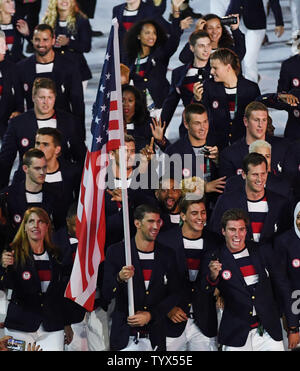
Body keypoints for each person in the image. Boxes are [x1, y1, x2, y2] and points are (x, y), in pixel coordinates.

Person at [201, 208, 300, 351]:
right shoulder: (214, 257)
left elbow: (283, 286)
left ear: (246, 231)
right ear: (223, 231)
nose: (237, 235)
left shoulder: (262, 250)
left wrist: (293, 327)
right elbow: (204, 293)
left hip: (268, 332)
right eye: (232, 230)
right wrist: (212, 278)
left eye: (241, 229)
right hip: (236, 334)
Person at [102, 203, 181, 351]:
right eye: (151, 221)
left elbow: (175, 293)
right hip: (124, 339)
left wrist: (151, 315)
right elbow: (106, 293)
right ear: (137, 223)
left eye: (158, 221)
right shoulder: (117, 252)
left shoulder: (167, 254)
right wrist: (119, 278)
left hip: (155, 339)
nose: (156, 226)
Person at [0, 207, 75, 351]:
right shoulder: (12, 255)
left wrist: (67, 323)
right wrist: (3, 266)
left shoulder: (56, 256)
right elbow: (4, 283)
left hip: (52, 325)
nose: (36, 225)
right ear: (25, 228)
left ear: (47, 227)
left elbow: (60, 294)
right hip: (20, 326)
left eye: (41, 222)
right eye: (31, 221)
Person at [157, 197, 222, 351]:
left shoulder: (216, 241)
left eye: (203, 212)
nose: (200, 217)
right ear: (183, 215)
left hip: (205, 322)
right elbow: (154, 282)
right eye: (194, 213)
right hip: (171, 323)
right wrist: (167, 308)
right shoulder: (164, 241)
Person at [0, 77, 86, 190]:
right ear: (33, 98)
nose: (46, 102)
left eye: (50, 97)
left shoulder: (69, 121)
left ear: (55, 98)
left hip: (62, 185)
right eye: (42, 98)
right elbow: (5, 161)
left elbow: (80, 157)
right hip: (27, 185)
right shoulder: (18, 123)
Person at [15, 23, 85, 137]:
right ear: (32, 40)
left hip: (63, 128)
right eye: (37, 40)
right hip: (33, 130)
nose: (41, 44)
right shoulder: (22, 68)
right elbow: (18, 102)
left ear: (53, 41)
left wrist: (80, 133)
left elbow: (77, 104)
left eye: (45, 40)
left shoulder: (69, 66)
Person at [209, 152, 292, 244]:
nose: (260, 179)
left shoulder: (280, 203)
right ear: (244, 175)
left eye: (263, 174)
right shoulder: (226, 201)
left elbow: (287, 237)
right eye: (255, 174)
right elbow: (214, 235)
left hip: (270, 257)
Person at [124, 0, 184, 117]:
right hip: (138, 111)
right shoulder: (130, 58)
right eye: (147, 33)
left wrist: (176, 12)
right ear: (138, 36)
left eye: (154, 33)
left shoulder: (160, 54)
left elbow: (174, 39)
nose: (152, 36)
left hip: (160, 109)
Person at [163, 103, 226, 214]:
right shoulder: (174, 151)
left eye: (205, 122)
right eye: (197, 123)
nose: (203, 128)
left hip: (218, 208)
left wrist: (218, 161)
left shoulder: (220, 144)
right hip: (189, 211)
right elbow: (173, 187)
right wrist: (203, 187)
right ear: (186, 124)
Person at [193, 47, 260, 150]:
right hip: (217, 147)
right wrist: (197, 99)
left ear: (228, 67)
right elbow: (199, 116)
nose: (211, 71)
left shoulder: (250, 89)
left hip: (244, 147)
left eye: (215, 68)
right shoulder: (209, 87)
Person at [219, 101, 298, 181]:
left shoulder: (283, 146)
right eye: (256, 120)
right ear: (246, 121)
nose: (260, 125)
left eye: (264, 120)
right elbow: (230, 189)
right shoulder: (229, 154)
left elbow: (291, 181)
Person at [0, 148, 65, 242]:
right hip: (17, 252)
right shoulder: (8, 196)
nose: (42, 172)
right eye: (37, 168)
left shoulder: (56, 194)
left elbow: (61, 229)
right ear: (25, 168)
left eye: (44, 167)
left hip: (47, 252)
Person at [160, 30, 213, 137]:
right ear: (192, 48)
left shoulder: (217, 69)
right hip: (188, 131)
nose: (206, 49)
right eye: (201, 46)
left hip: (214, 129)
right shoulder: (178, 73)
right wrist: (161, 128)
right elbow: (170, 104)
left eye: (208, 45)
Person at [226, 0, 284, 83]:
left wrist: (279, 22)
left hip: (256, 23)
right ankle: (253, 78)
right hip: (235, 21)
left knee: (249, 60)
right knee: (238, 59)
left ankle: (252, 89)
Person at [42, 0, 92, 90]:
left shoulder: (82, 20)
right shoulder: (48, 20)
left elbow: (86, 47)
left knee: (75, 103)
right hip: (54, 70)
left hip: (77, 70)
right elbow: (40, 45)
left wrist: (69, 42)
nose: (64, 1)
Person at [34, 127, 82, 221]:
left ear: (57, 149)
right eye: (37, 143)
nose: (40, 148)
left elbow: (80, 202)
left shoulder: (73, 172)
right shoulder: (25, 172)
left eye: (45, 144)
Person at [224, 140, 294, 202]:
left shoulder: (283, 186)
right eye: (259, 156)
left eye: (267, 156)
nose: (264, 160)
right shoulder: (233, 184)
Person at [274, 202, 300, 350]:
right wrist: (293, 326)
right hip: (292, 310)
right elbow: (283, 286)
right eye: (299, 217)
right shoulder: (283, 242)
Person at [179, 13, 246, 65]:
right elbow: (184, 58)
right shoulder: (199, 49)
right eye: (210, 28)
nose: (215, 31)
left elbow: (240, 54)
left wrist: (235, 30)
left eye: (218, 27)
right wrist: (197, 33)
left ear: (222, 29)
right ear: (204, 30)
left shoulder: (227, 48)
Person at [0, 30, 23, 138]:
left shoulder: (12, 68)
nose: (6, 49)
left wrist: (18, 111)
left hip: (6, 128)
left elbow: (19, 96)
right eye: (2, 45)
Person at [122, 84, 152, 152]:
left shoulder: (148, 123)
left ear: (137, 103)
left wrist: (161, 140)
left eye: (130, 100)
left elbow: (169, 149)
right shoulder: (111, 124)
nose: (126, 104)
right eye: (122, 100)